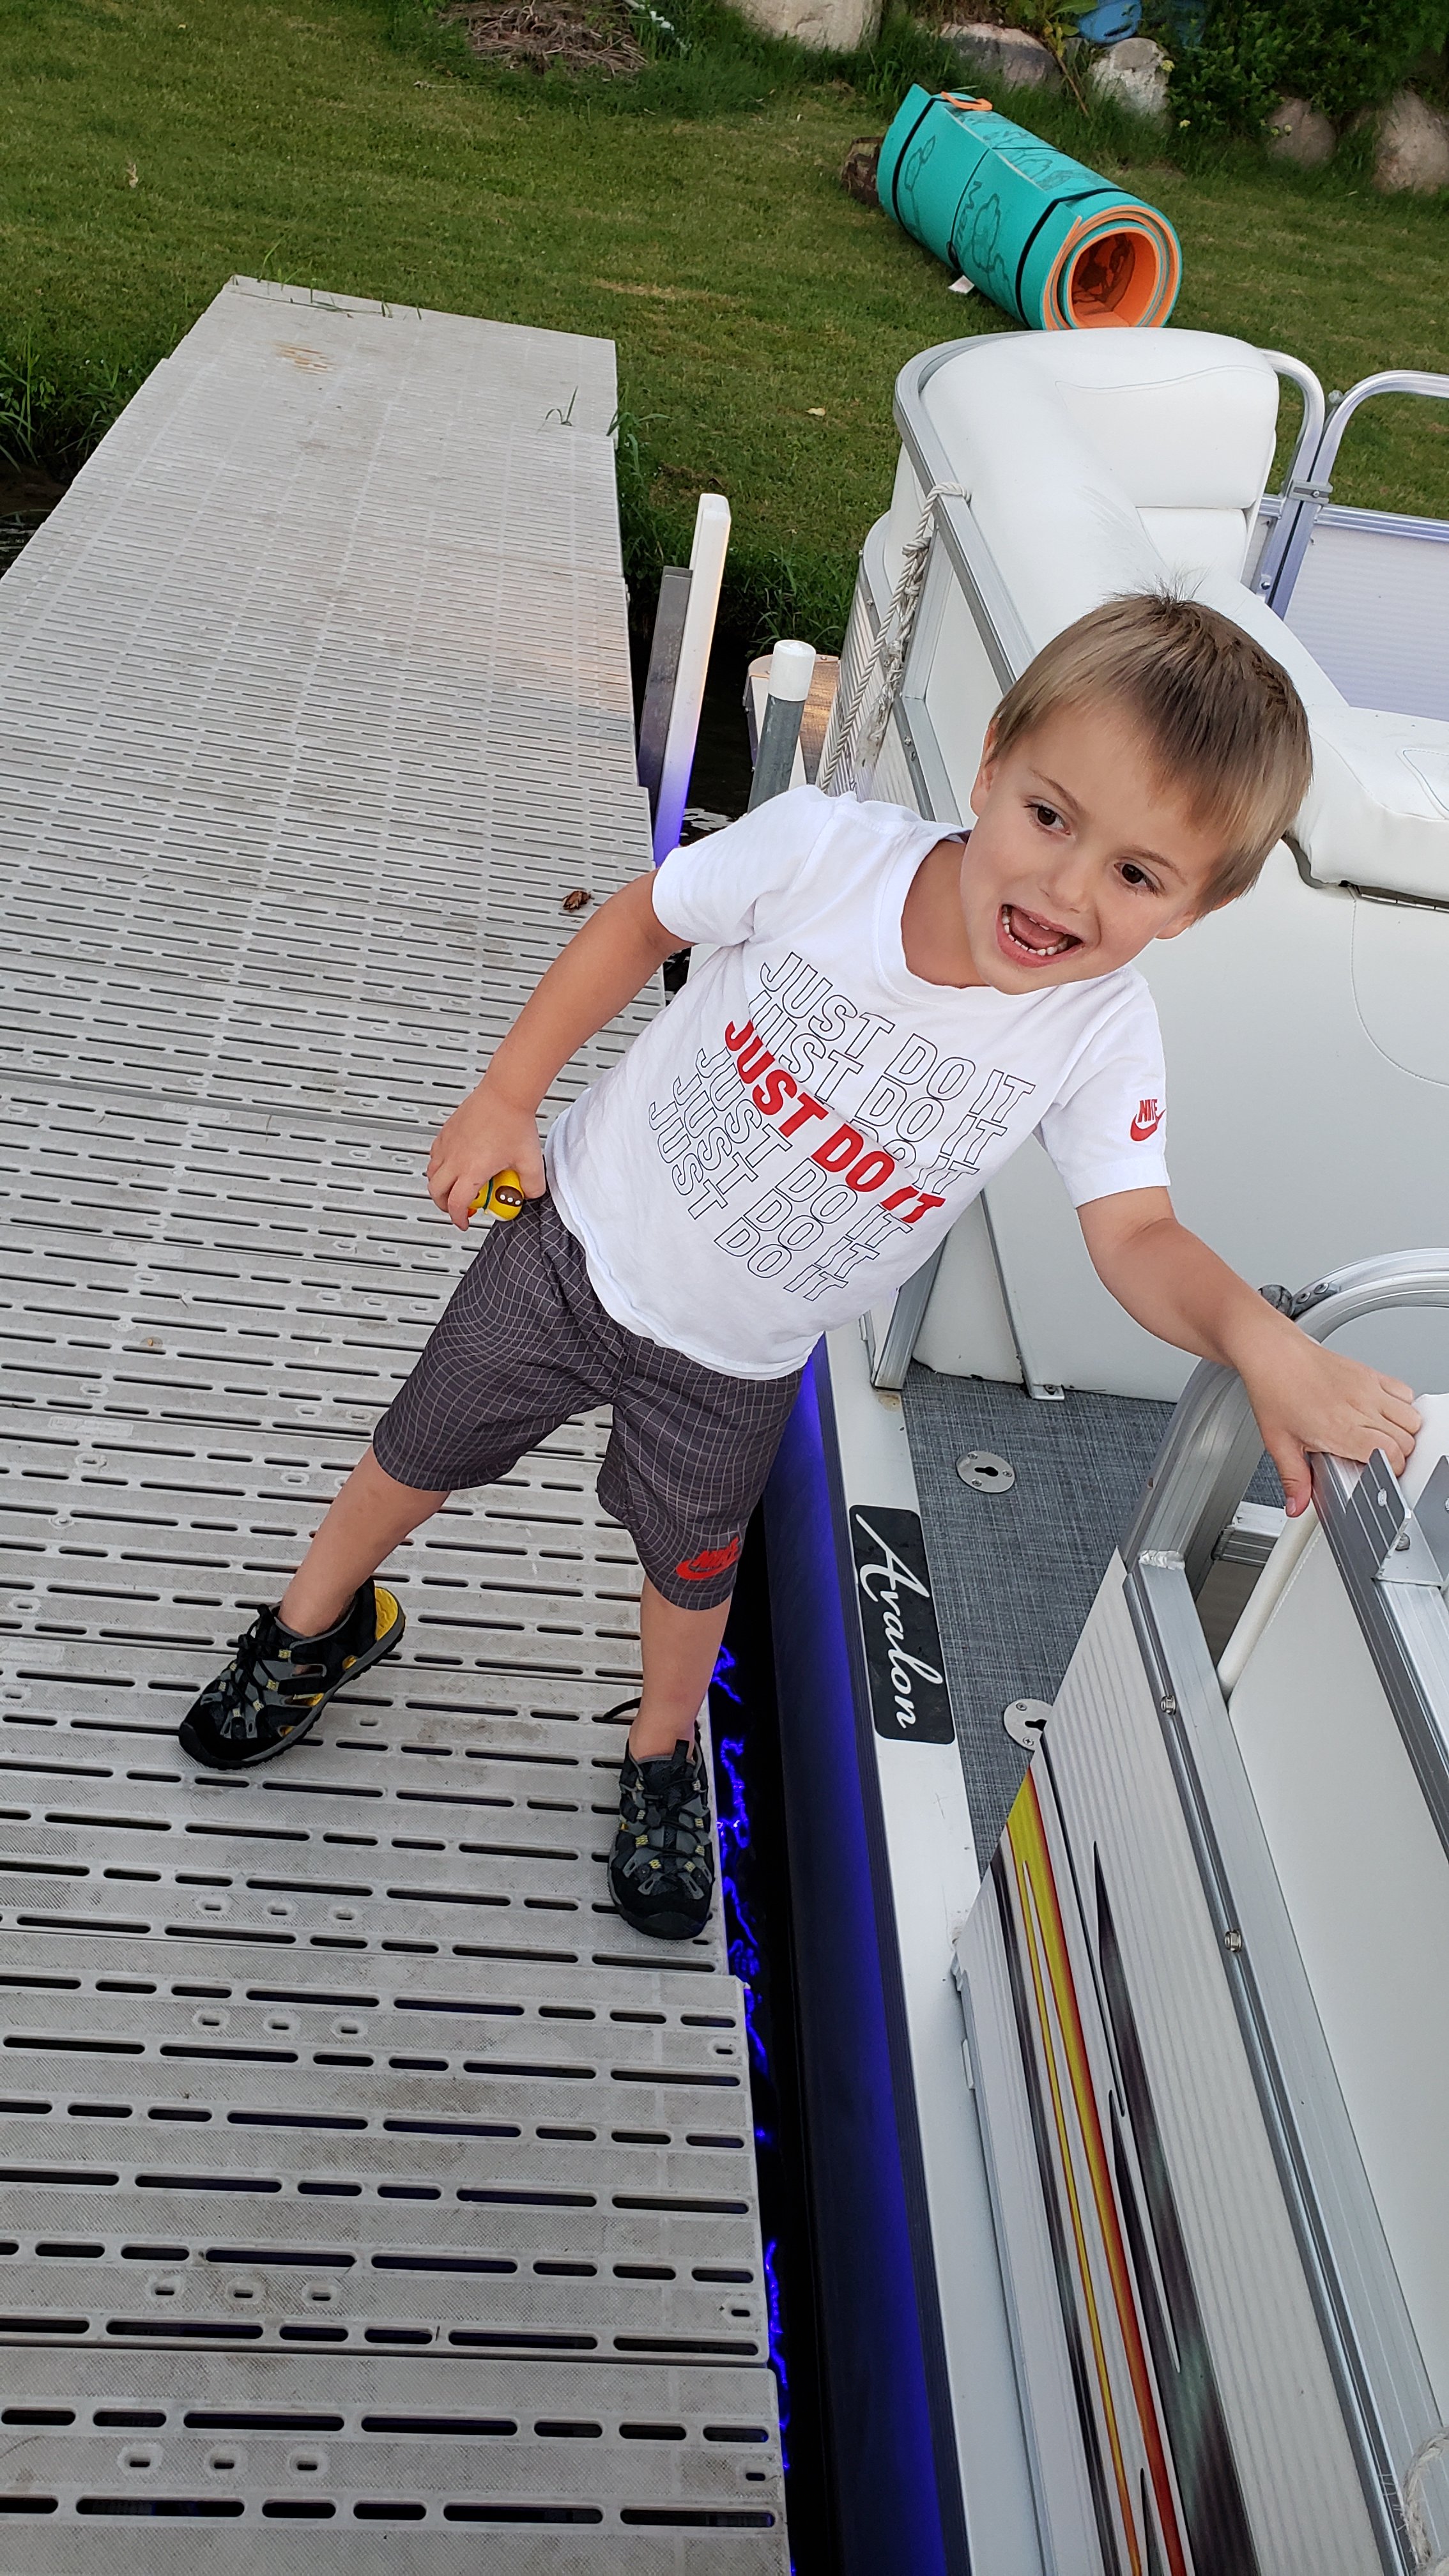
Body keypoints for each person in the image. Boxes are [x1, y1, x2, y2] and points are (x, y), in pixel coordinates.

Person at [178, 594, 1420, 1939]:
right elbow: (642, 922)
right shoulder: (823, 853)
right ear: (991, 765)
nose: (1066, 890)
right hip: (574, 1245)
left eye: (1137, 875)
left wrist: (1262, 1341)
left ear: (1199, 906)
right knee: (413, 1452)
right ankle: (313, 1624)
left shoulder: (1099, 1035)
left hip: (736, 1363)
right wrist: (505, 1096)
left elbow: (1134, 1235)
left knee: (692, 1574)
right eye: (1050, 816)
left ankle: (662, 1754)